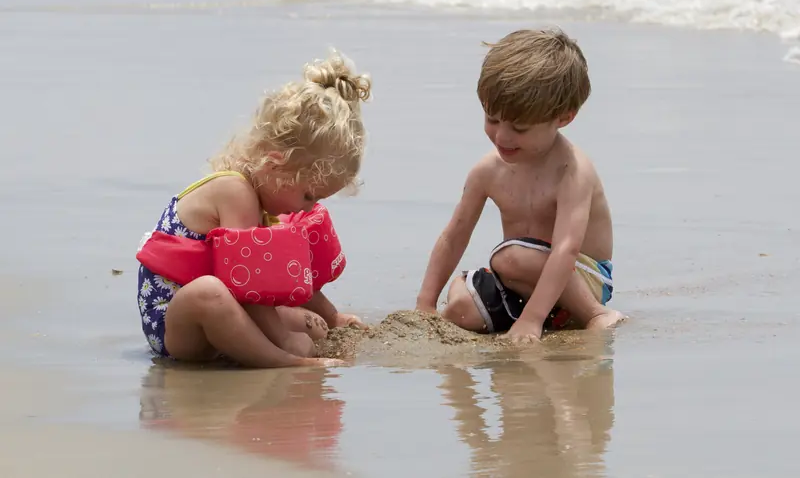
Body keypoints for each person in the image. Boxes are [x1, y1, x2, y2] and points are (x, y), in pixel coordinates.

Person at [136, 49, 370, 368]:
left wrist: (333, 315)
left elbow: (279, 275)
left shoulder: (260, 197)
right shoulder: (236, 192)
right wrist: (284, 341)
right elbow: (248, 286)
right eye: (308, 196)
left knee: (309, 323)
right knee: (210, 293)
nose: (309, 207)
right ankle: (282, 361)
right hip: (177, 322)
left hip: (222, 316)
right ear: (276, 167)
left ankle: (269, 344)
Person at [415, 28, 625, 343]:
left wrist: (531, 321)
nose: (502, 137)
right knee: (459, 309)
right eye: (492, 119)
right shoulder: (487, 171)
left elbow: (566, 249)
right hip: (518, 283)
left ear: (564, 117)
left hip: (583, 278)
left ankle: (595, 314)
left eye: (520, 128)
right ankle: (546, 315)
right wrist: (425, 304)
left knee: (510, 257)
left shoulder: (573, 172)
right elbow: (454, 235)